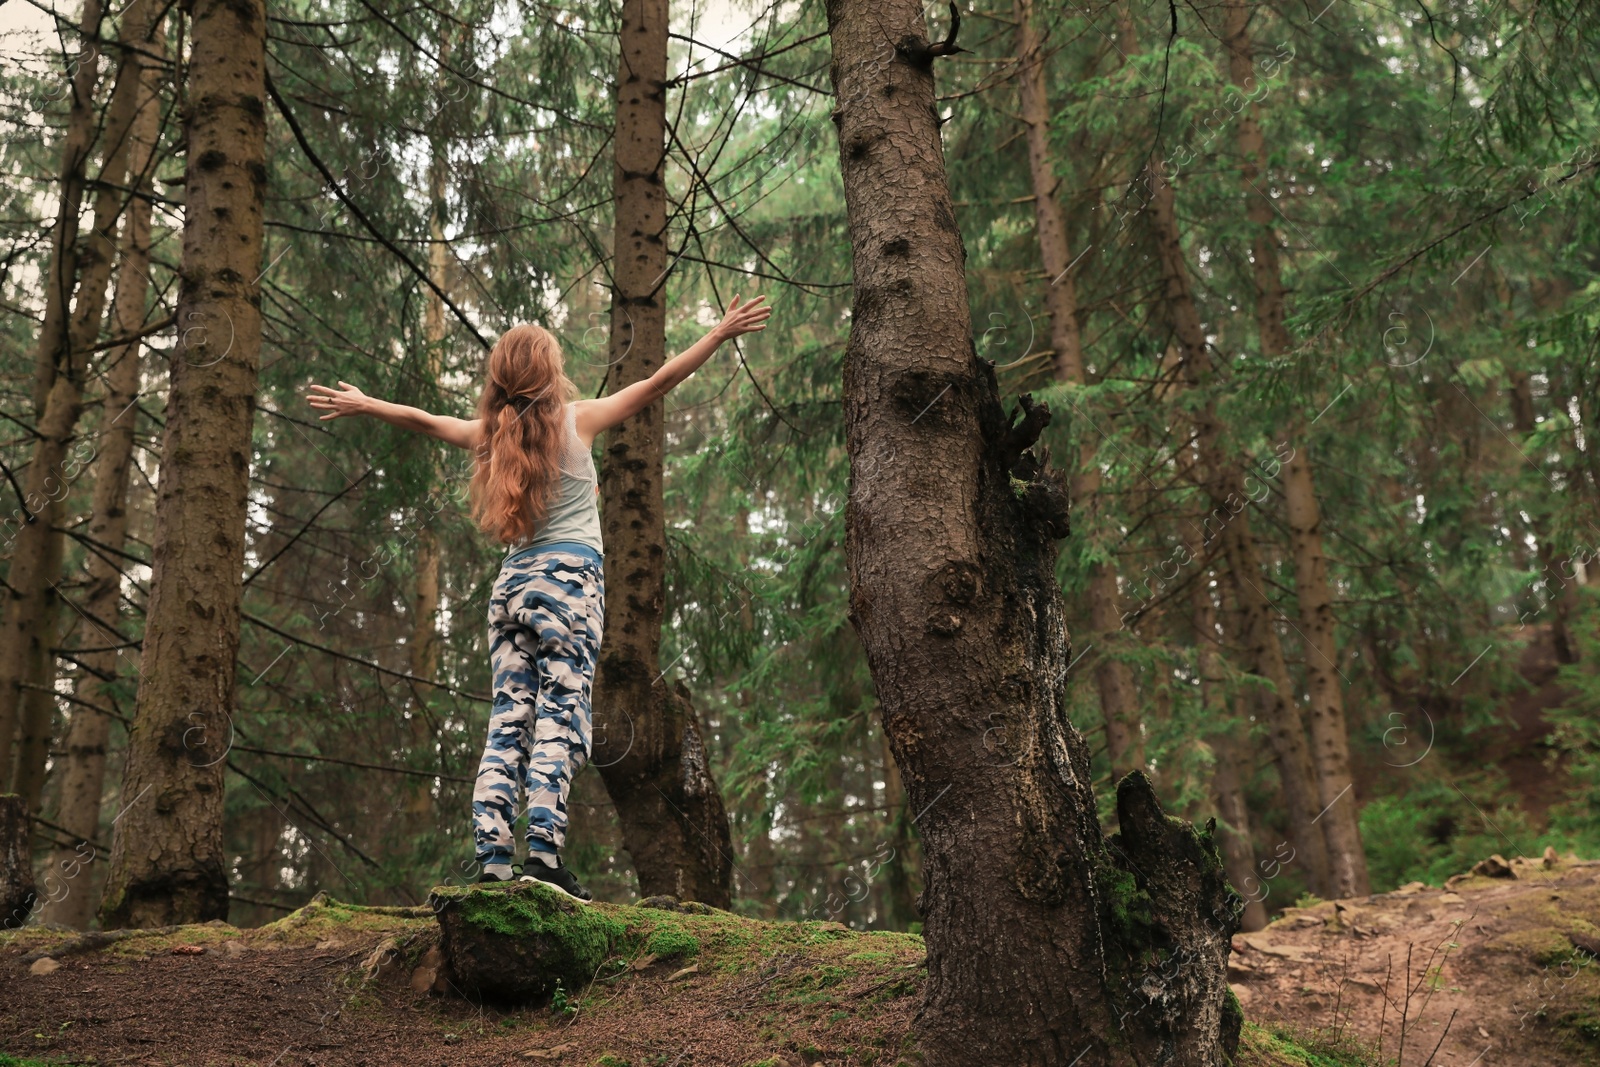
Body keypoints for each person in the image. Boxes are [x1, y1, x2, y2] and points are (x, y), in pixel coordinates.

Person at [306, 295, 771, 900]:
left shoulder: (490, 436)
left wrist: (367, 404)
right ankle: (544, 860)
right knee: (561, 713)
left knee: (508, 719)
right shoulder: (578, 421)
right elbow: (659, 383)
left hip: (510, 591)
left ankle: (494, 857)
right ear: (549, 372)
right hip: (568, 587)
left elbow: (425, 421)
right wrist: (718, 332)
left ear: (500, 379)